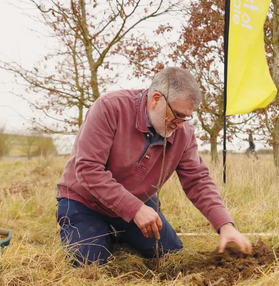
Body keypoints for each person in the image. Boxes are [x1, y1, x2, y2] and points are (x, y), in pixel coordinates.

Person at [56, 67, 252, 265]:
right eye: (178, 115)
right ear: (156, 99)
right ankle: (101, 231)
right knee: (87, 261)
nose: (181, 125)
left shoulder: (183, 133)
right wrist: (134, 209)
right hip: (84, 201)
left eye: (186, 117)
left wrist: (225, 225)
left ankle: (120, 232)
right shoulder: (109, 107)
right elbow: (88, 170)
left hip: (135, 202)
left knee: (169, 253)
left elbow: (198, 180)